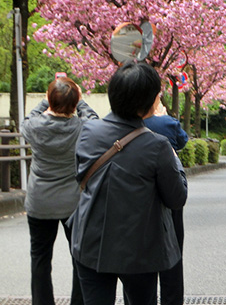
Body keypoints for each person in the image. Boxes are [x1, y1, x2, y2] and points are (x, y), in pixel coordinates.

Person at [68, 61, 188, 305]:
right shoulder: (158, 145)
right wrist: (175, 161)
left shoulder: (89, 131)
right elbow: (177, 198)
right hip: (140, 250)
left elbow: (82, 176)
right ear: (149, 101)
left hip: (92, 243)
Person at [21, 76, 99, 305]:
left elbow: (28, 118)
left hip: (40, 202)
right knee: (79, 258)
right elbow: (95, 120)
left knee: (40, 258)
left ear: (49, 101)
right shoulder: (82, 127)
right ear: (75, 104)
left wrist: (47, 101)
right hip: (73, 203)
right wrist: (80, 101)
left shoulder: (33, 127)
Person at [144, 102, 189, 305]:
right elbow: (182, 141)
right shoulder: (166, 123)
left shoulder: (129, 124)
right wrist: (164, 116)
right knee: (173, 251)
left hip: (141, 197)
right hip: (169, 190)